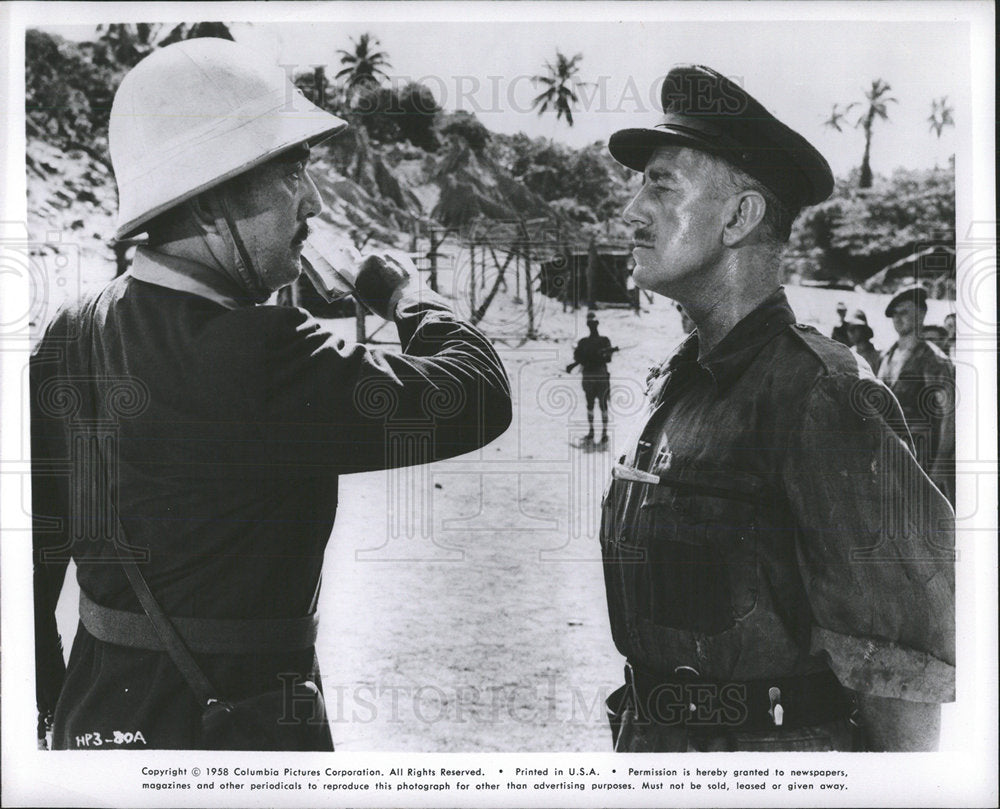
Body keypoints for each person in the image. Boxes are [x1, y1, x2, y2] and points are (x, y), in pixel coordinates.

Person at [31, 39, 512, 751]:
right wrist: (407, 297)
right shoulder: (258, 351)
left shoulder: (73, 326)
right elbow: (475, 392)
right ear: (216, 194)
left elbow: (28, 566)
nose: (313, 202)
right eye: (293, 173)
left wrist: (55, 702)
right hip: (230, 736)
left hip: (98, 718)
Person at [601, 64, 954, 753]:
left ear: (739, 216)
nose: (630, 210)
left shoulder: (823, 394)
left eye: (660, 183)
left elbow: (900, 687)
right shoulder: (681, 382)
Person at [877, 284, 955, 503]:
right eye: (894, 314)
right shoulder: (886, 356)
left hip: (921, 453)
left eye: (905, 312)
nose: (898, 318)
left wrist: (940, 461)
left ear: (921, 313)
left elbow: (949, 415)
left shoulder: (934, 360)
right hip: (888, 451)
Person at [566, 311, 617, 443]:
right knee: (601, 404)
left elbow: (578, 358)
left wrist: (598, 355)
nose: (592, 326)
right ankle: (601, 433)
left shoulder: (584, 342)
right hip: (599, 374)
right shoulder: (603, 341)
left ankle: (593, 432)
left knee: (592, 404)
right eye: (592, 324)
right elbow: (608, 359)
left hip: (590, 375)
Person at [845, 308, 880, 374]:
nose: (850, 332)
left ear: (863, 329)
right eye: (849, 328)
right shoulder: (850, 353)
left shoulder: (877, 354)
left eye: (854, 328)